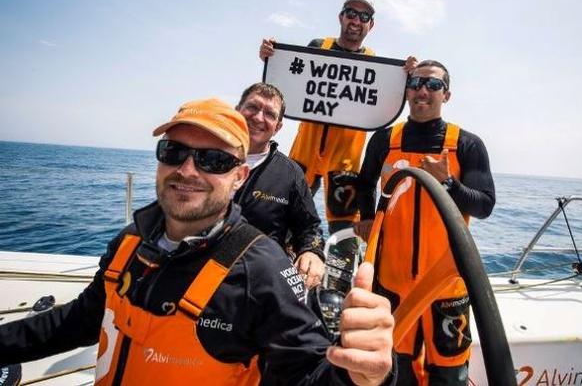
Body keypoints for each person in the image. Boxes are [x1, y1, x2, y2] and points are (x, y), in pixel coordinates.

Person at [0, 98, 396, 385]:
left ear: (239, 176)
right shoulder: (129, 243)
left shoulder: (262, 273)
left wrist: (362, 376)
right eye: (174, 152)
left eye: (214, 161)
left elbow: (307, 372)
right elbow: (80, 321)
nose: (187, 169)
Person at [355, 60, 496, 385]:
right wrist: (364, 218)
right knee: (393, 371)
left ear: (446, 95)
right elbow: (363, 184)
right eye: (417, 83)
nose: (423, 90)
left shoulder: (466, 144)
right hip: (391, 282)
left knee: (449, 374)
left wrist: (449, 184)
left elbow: (485, 205)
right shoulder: (384, 139)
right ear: (407, 90)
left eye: (433, 85)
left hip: (446, 285)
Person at [259, 0, 380, 234]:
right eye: (351, 13)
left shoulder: (376, 65)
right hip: (304, 152)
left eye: (364, 16)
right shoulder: (317, 47)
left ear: (371, 24)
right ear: (341, 17)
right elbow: (292, 82)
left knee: (344, 234)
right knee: (282, 221)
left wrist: (408, 73)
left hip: (345, 160)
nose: (356, 20)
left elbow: (391, 97)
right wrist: (272, 59)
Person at [234, 82, 325, 288]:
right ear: (237, 111)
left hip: (260, 281)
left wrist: (312, 252)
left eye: (269, 114)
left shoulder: (291, 173)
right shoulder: (202, 157)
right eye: (252, 107)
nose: (258, 117)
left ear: (278, 127)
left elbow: (310, 227)